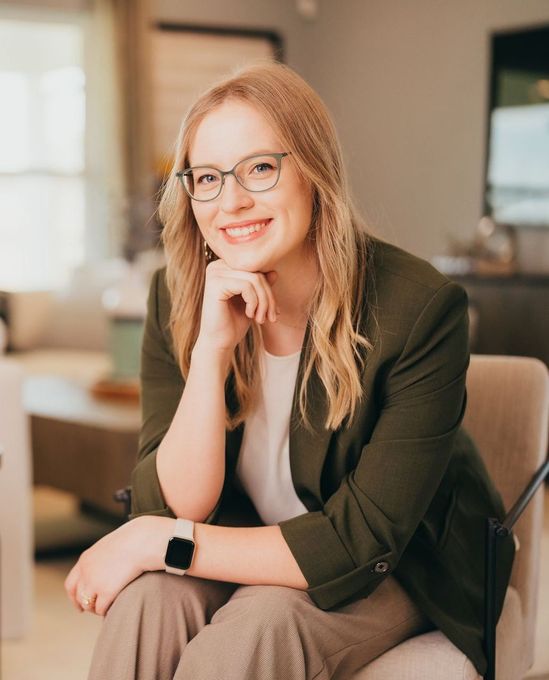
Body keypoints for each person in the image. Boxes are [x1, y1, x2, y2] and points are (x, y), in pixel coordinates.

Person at [65, 62, 515, 680]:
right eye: (207, 177)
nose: (233, 201)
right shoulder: (177, 294)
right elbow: (173, 503)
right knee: (147, 602)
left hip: (408, 565)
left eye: (260, 168)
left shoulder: (418, 309)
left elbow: (362, 541)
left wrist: (155, 540)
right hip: (250, 534)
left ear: (314, 173)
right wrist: (210, 355)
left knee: (258, 626)